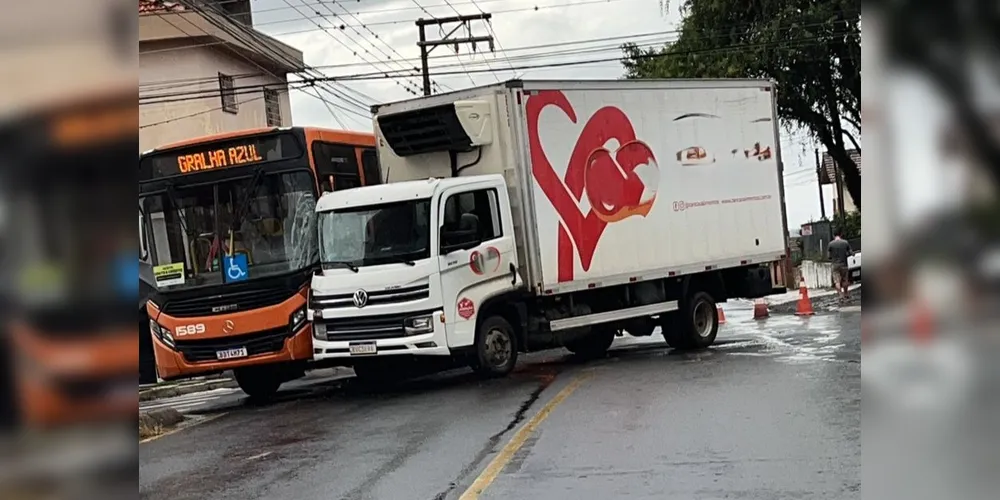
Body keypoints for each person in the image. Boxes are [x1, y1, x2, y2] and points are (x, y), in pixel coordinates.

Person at [828, 233, 854, 300]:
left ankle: (840, 295)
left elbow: (829, 257)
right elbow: (851, 253)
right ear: (841, 235)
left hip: (835, 265)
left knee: (837, 281)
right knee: (845, 280)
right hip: (844, 264)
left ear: (834, 236)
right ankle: (846, 293)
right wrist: (847, 254)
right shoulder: (845, 242)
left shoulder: (830, 244)